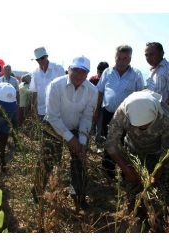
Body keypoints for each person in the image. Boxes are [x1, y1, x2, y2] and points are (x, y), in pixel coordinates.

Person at [106, 90, 169, 230]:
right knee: (133, 187)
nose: (142, 129)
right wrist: (126, 169)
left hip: (159, 153)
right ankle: (134, 216)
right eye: (138, 126)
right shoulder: (123, 112)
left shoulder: (167, 117)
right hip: (133, 150)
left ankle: (157, 220)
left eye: (146, 125)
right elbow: (111, 144)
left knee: (160, 191)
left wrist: (156, 174)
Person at [33, 56, 98, 211]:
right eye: (75, 70)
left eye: (83, 72)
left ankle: (77, 196)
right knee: (48, 159)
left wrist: (81, 141)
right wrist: (70, 139)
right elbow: (53, 116)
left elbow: (87, 117)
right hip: (53, 126)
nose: (78, 75)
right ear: (69, 69)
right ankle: (37, 192)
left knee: (79, 162)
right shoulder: (55, 85)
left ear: (87, 74)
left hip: (76, 127)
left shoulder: (92, 90)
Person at [96, 45, 144, 177]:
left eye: (125, 58)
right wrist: (96, 112)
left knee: (125, 143)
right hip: (108, 114)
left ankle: (125, 172)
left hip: (127, 116)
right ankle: (108, 171)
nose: (121, 61)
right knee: (109, 142)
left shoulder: (136, 74)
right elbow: (100, 92)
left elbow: (140, 96)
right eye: (119, 57)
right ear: (115, 57)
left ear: (129, 59)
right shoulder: (107, 72)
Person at [144, 42, 169, 116]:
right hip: (152, 113)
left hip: (166, 113)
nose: (148, 57)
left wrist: (164, 113)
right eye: (146, 55)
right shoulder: (151, 71)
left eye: (152, 54)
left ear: (162, 53)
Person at [29, 47, 65, 121]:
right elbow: (34, 92)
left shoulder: (58, 69)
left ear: (46, 56)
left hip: (57, 112)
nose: (40, 61)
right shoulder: (35, 73)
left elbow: (65, 90)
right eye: (37, 59)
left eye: (42, 58)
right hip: (41, 112)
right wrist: (33, 110)